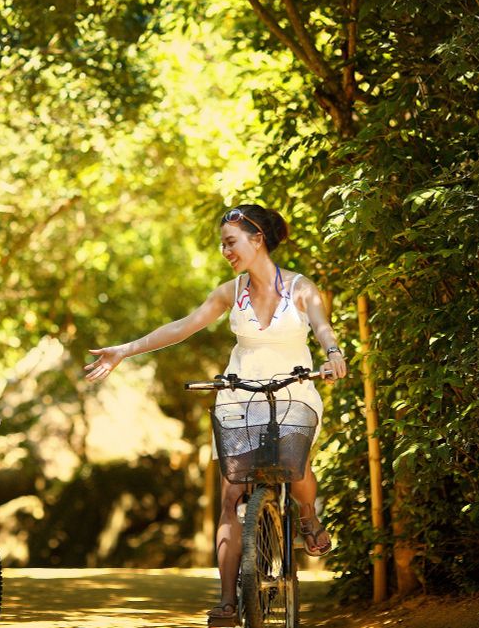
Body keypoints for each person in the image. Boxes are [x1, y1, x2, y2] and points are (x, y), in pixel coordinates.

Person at [84, 204, 347, 626]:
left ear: (257, 238)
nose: (225, 251)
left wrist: (333, 354)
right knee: (230, 493)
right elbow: (183, 326)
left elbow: (322, 327)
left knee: (295, 468)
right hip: (239, 393)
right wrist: (125, 350)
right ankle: (227, 601)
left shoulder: (301, 288)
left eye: (231, 242)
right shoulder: (231, 291)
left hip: (292, 390)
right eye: (222, 244)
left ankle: (309, 516)